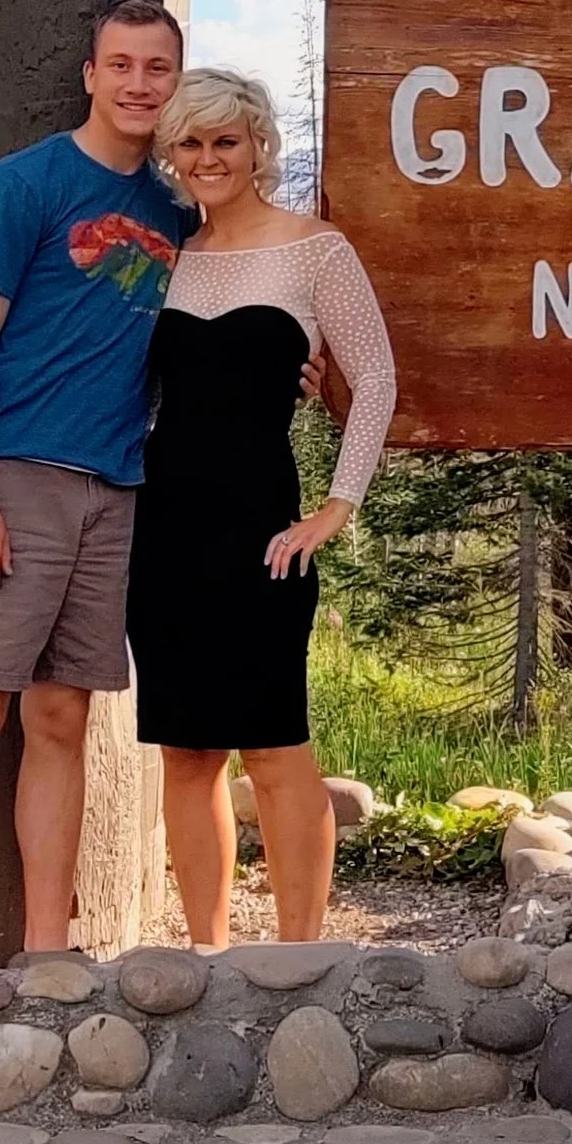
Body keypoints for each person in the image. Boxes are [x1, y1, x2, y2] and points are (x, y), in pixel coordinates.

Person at [0, 0, 195, 959]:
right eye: (122, 64)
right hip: (12, 477)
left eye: (159, 68)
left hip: (115, 489)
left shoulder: (182, 215)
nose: (140, 83)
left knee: (62, 717)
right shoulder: (22, 187)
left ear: (176, 84)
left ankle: (48, 948)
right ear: (90, 75)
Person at [133, 67, 394, 947]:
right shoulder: (167, 254)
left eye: (224, 141)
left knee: (275, 745)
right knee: (187, 750)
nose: (208, 158)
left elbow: (380, 378)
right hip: (164, 527)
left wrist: (337, 506)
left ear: (256, 146)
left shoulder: (316, 249)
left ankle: (301, 954)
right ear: (172, 154)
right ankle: (207, 953)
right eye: (191, 142)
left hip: (265, 527)